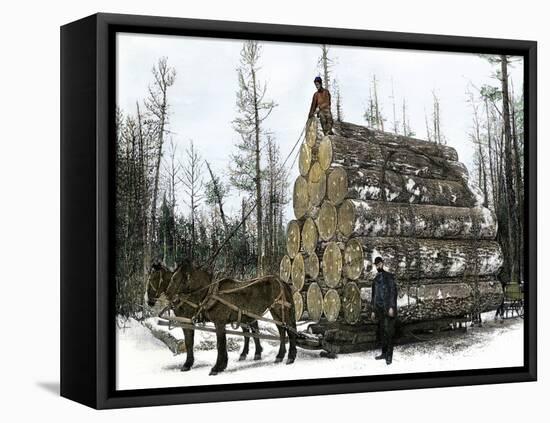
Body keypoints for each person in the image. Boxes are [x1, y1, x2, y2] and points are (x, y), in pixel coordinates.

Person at [370, 256, 398, 365]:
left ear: (383, 264)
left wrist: (391, 307)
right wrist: (373, 310)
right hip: (380, 310)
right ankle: (383, 353)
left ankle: (389, 356)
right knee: (382, 332)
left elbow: (393, 293)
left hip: (388, 309)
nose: (378, 266)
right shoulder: (375, 280)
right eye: (376, 265)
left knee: (389, 332)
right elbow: (374, 297)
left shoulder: (389, 277)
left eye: (380, 264)